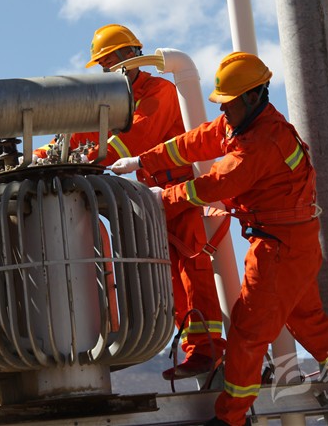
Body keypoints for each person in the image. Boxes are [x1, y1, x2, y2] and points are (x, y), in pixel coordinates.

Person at [111, 51, 328, 425]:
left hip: (278, 250)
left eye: (228, 103)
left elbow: (214, 184)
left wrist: (163, 198)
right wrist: (143, 161)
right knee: (308, 322)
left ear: (252, 96)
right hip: (293, 245)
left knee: (247, 333)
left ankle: (231, 418)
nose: (222, 110)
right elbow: (195, 141)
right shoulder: (245, 123)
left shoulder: (262, 143)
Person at [36, 24, 227, 380]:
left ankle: (207, 348)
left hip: (183, 192)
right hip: (154, 198)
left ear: (133, 55)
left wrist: (87, 158)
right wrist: (41, 156)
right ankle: (196, 348)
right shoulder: (110, 100)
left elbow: (136, 138)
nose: (108, 68)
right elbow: (76, 135)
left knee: (193, 270)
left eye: (111, 60)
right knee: (166, 276)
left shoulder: (159, 91)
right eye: (103, 63)